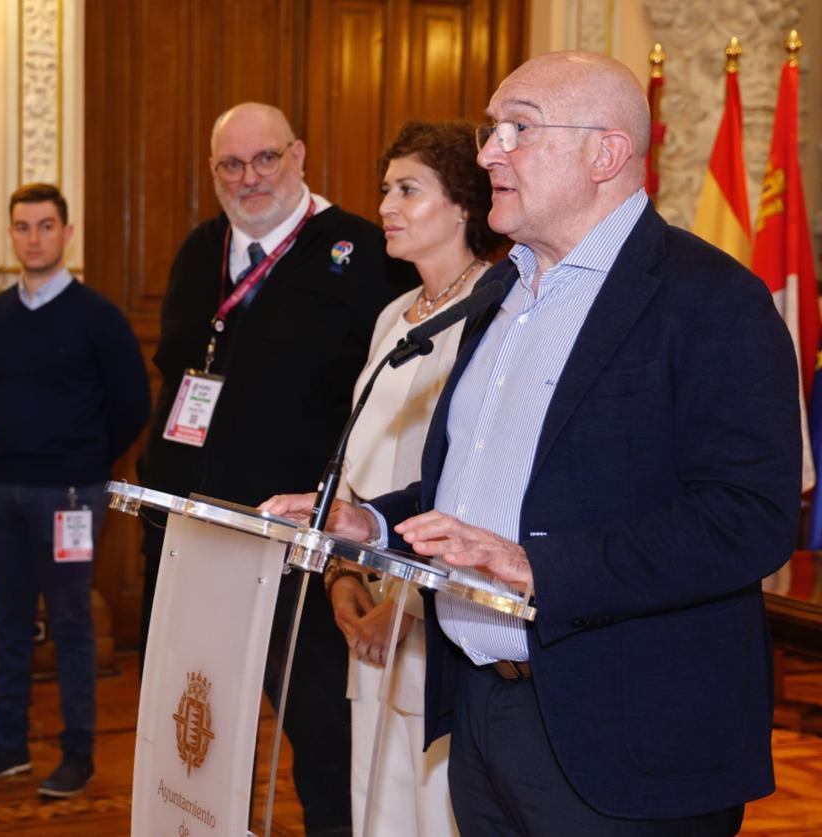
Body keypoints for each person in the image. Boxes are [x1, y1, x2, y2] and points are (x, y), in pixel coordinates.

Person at [263, 50, 800, 836]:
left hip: (627, 737)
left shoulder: (711, 299)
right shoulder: (501, 294)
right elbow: (477, 487)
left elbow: (749, 516)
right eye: (490, 130)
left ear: (606, 153)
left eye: (519, 129)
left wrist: (534, 565)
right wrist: (370, 523)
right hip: (482, 712)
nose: (488, 153)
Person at [138, 101, 415, 835]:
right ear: (212, 172)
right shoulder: (201, 250)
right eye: (231, 164)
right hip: (195, 533)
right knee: (193, 722)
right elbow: (179, 377)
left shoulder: (363, 251)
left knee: (321, 732)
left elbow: (388, 403)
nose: (249, 177)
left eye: (266, 159)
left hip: (302, 545)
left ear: (299, 155)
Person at [328, 121, 503, 837]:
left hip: (436, 604)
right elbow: (360, 454)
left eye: (408, 189)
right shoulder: (395, 315)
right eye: (384, 190)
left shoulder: (494, 310)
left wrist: (400, 609)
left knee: (432, 804)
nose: (386, 207)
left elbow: (470, 480)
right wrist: (342, 576)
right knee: (374, 796)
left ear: (463, 203)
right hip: (366, 588)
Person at [0, 183, 150, 797]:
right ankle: (7, 746)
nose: (33, 237)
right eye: (22, 226)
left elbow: (131, 405)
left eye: (45, 226)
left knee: (71, 624)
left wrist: (83, 460)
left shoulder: (98, 317)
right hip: (1, 493)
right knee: (9, 621)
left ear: (67, 234)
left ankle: (77, 754)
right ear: (10, 234)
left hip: (70, 495)